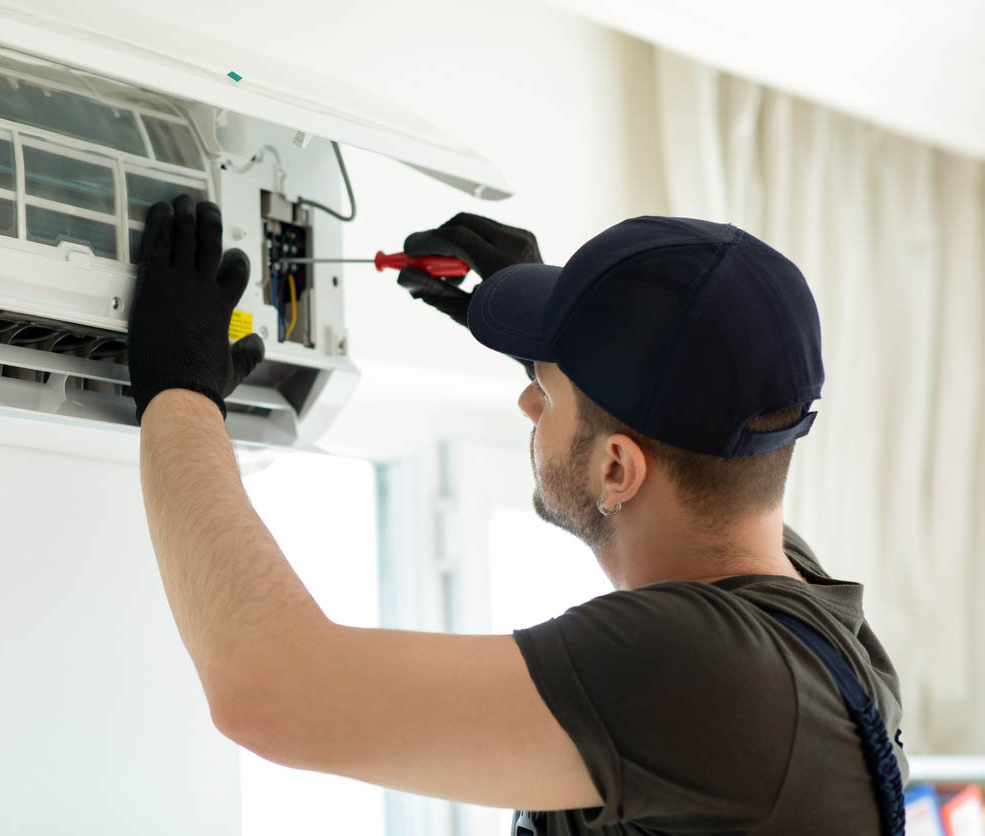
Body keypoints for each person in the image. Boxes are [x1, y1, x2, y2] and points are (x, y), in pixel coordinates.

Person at [127, 195, 906, 835]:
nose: (528, 401)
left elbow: (269, 689)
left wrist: (179, 390)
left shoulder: (701, 668)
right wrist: (565, 334)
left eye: (548, 393)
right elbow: (685, 447)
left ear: (616, 469)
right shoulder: (818, 630)